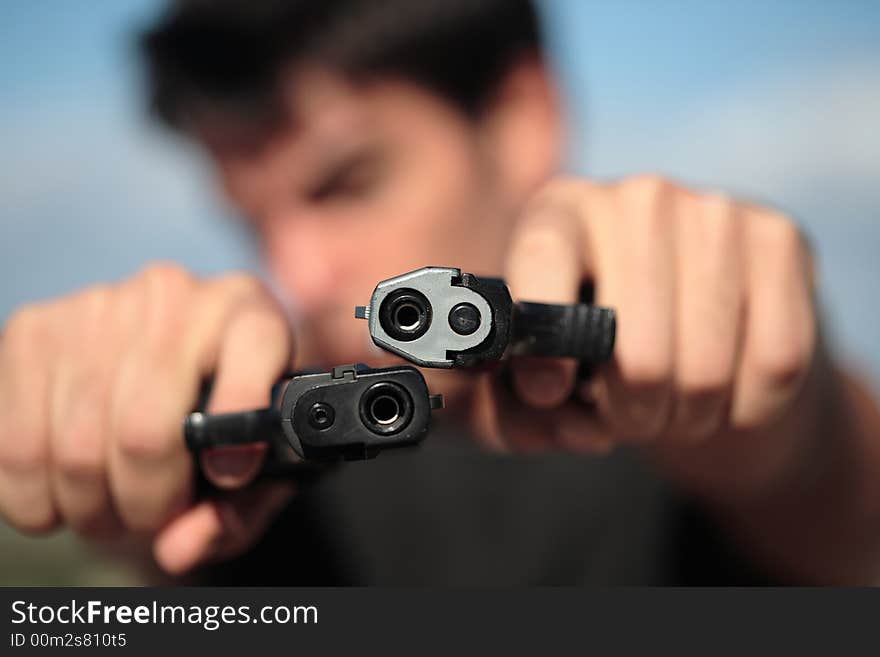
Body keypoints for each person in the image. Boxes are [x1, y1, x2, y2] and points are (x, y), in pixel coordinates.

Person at [1, 0, 879, 585]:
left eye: (346, 184)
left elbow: (834, 495)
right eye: (252, 221)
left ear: (521, 116)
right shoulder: (260, 472)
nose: (297, 275)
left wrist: (788, 422)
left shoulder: (703, 438)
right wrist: (135, 478)